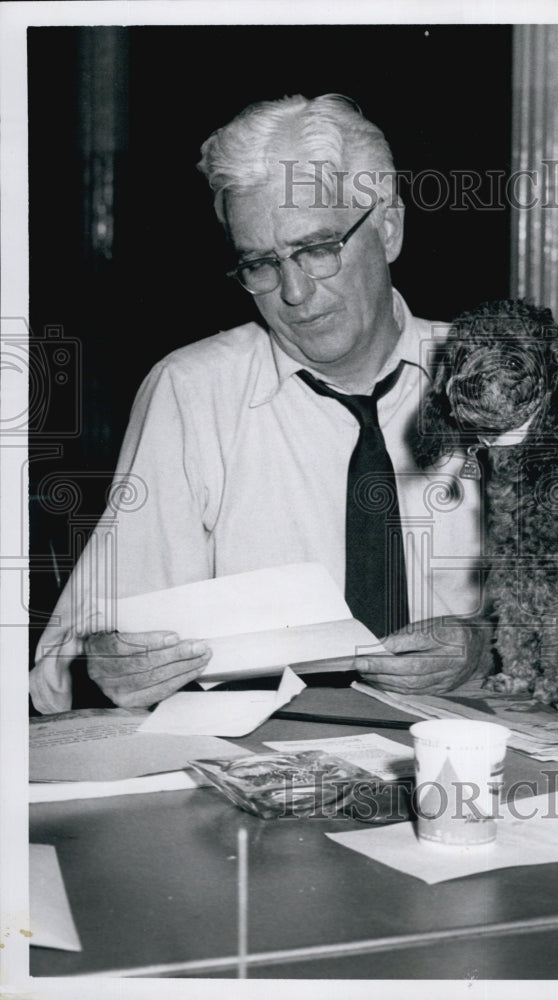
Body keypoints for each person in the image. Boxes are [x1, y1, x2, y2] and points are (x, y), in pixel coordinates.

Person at [29, 94, 491, 715]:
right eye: (261, 264)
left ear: (388, 228)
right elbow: (69, 657)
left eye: (318, 249)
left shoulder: (495, 379)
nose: (295, 292)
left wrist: (485, 647)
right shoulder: (193, 393)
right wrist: (103, 666)